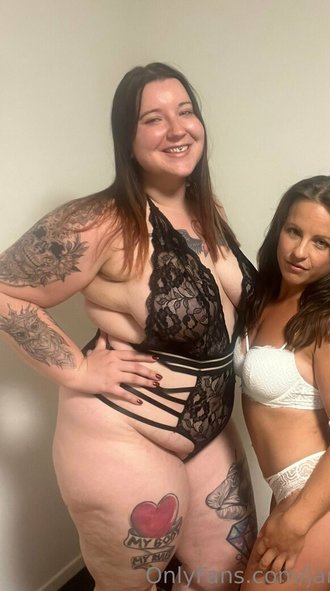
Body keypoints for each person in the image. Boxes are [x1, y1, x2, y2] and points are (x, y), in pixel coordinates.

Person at [0, 62, 257, 591]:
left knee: (226, 578)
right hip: (122, 435)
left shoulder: (206, 210)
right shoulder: (100, 220)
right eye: (153, 119)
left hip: (208, 430)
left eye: (185, 111)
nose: (177, 129)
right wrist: (78, 370)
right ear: (127, 138)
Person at [234, 175, 330, 590]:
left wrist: (296, 521)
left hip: (321, 495)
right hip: (288, 491)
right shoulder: (262, 298)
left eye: (321, 242)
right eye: (294, 231)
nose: (299, 252)